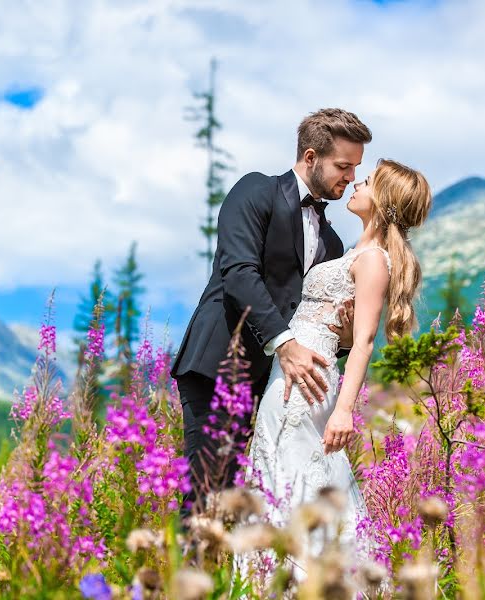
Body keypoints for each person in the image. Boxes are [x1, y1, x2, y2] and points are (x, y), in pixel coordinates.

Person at [171, 109, 373, 516]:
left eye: (356, 168)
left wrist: (343, 339)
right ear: (311, 156)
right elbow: (239, 273)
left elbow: (313, 320)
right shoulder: (255, 190)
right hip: (216, 365)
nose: (350, 177)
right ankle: (184, 579)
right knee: (206, 493)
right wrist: (283, 343)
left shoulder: (332, 242)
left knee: (250, 502)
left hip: (273, 386)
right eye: (343, 166)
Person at [245, 157, 432, 572]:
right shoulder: (358, 253)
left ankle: (301, 575)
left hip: (308, 376)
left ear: (382, 202)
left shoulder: (373, 260)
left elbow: (364, 342)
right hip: (295, 366)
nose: (355, 184)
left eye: (365, 181)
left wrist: (345, 410)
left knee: (290, 466)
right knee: (282, 464)